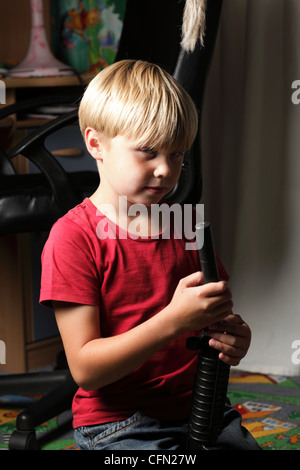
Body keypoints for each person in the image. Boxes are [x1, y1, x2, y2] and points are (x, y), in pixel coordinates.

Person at [40, 60, 260, 451]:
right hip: (120, 423)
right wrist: (172, 322)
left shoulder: (188, 227)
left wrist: (234, 338)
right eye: (148, 151)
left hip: (202, 408)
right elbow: (86, 370)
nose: (165, 170)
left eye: (177, 155)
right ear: (96, 144)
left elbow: (213, 320)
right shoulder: (73, 238)